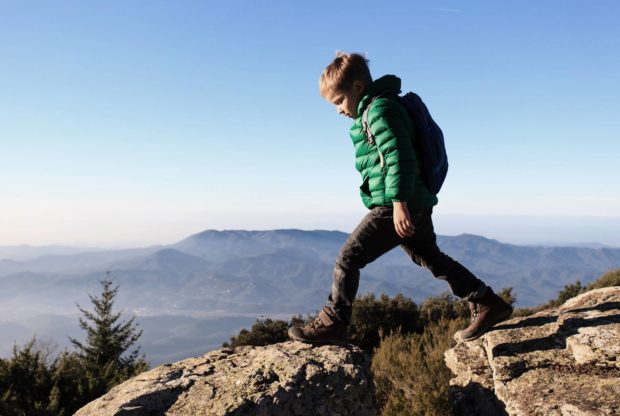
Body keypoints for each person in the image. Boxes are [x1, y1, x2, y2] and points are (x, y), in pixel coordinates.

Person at [288, 52, 513, 345]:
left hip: (396, 205)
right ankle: (487, 302)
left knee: (347, 259)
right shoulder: (379, 109)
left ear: (357, 87)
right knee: (432, 258)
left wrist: (398, 204)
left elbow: (399, 157)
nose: (339, 111)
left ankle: (334, 322)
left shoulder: (379, 110)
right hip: (413, 202)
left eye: (339, 101)